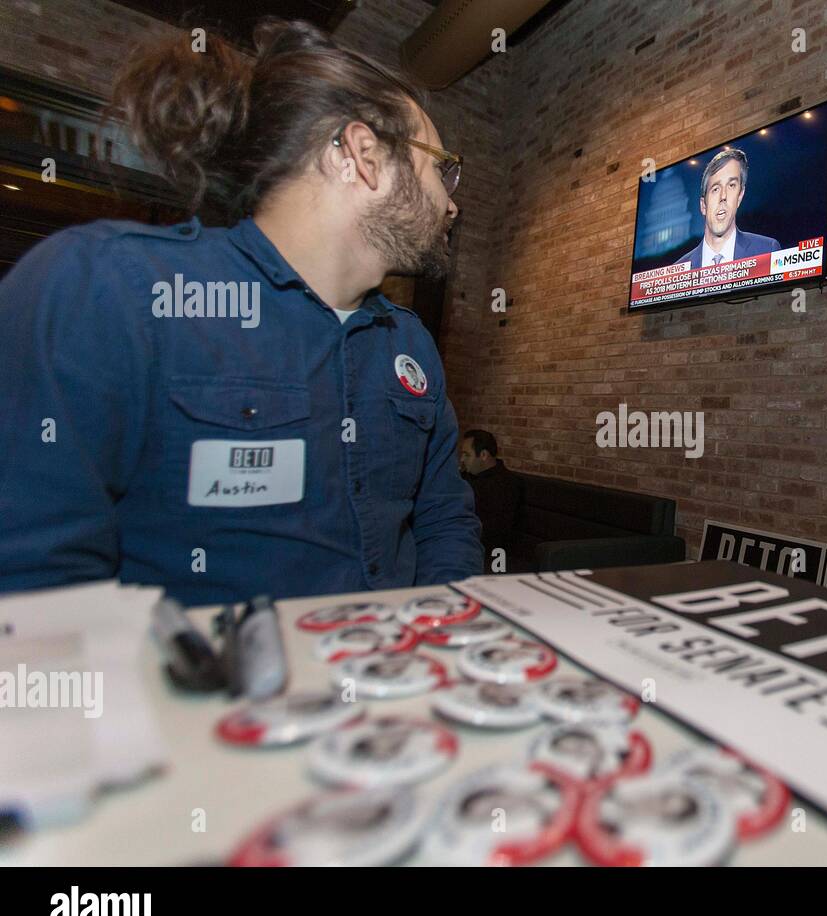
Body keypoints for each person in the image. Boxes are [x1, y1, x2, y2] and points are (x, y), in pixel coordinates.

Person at [0, 19, 482, 605]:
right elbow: (33, 579)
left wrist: (435, 642)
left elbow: (444, 522)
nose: (451, 203)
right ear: (364, 156)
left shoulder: (411, 346)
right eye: (441, 167)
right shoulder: (111, 290)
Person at [674, 147, 779, 270]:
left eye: (731, 186)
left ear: (740, 196)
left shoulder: (767, 251)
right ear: (703, 205)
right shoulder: (679, 269)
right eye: (715, 189)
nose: (723, 196)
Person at [459, 429, 523, 570]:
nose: (462, 459)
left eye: (466, 454)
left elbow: (495, 531)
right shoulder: (467, 477)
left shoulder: (505, 485)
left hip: (493, 554)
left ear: (483, 455)